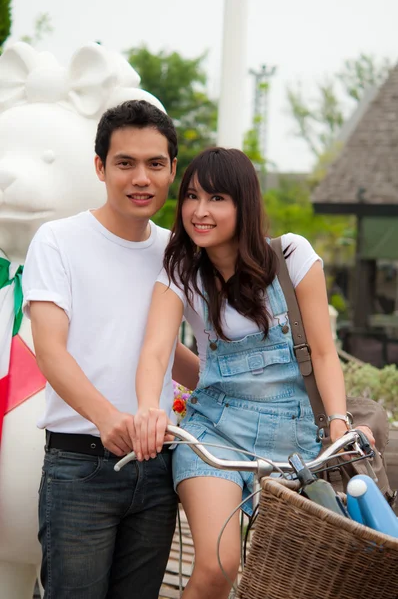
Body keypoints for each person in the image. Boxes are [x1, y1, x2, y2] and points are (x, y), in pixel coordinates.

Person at [133, 147, 375, 599]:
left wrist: (339, 424)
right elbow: (155, 352)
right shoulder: (180, 272)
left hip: (298, 444)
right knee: (217, 567)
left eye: (217, 198)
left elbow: (324, 354)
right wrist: (150, 408)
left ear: (244, 204)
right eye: (191, 197)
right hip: (215, 435)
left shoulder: (290, 256)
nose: (199, 212)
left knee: (292, 583)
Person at [22, 99, 199, 599]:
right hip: (81, 466)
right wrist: (108, 419)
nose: (141, 177)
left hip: (159, 465)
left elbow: (161, 347)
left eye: (155, 164)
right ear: (101, 167)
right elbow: (50, 350)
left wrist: (223, 384)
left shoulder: (177, 251)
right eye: (126, 163)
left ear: (171, 172)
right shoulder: (58, 240)